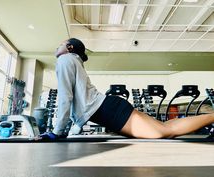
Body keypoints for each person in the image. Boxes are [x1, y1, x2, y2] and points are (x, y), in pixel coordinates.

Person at [40, 38, 214, 141]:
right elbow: (74, 102)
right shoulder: (73, 60)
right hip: (109, 108)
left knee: (165, 132)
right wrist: (66, 130)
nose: (57, 47)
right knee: (165, 127)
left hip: (109, 111)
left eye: (61, 44)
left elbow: (65, 97)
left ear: (69, 47)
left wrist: (56, 132)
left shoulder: (65, 60)